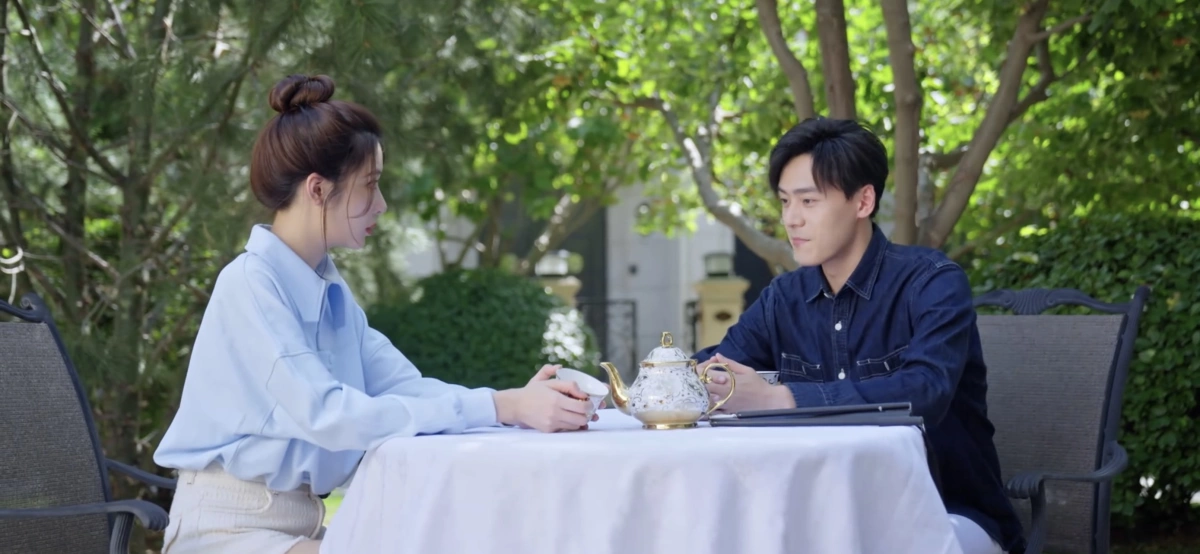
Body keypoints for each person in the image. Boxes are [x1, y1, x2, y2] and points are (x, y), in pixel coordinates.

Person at [153, 74, 598, 554]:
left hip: (299, 526)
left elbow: (406, 387)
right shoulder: (249, 284)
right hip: (225, 531)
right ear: (318, 189)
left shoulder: (330, 292)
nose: (381, 205)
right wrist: (501, 406)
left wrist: (511, 403)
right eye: (370, 185)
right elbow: (329, 414)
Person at [693, 117, 1025, 554]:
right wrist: (679, 380)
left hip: (945, 513)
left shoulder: (932, 283)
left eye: (808, 201)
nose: (791, 219)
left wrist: (779, 397)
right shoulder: (783, 298)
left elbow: (924, 390)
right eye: (785, 201)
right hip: (820, 516)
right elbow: (718, 367)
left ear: (863, 200)